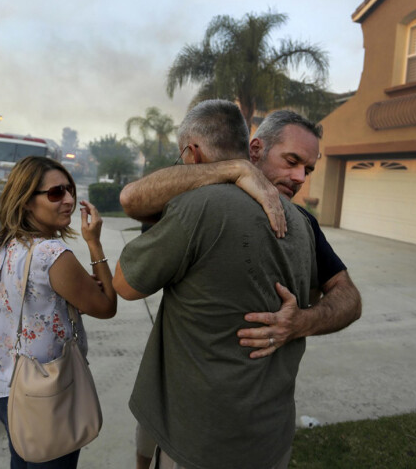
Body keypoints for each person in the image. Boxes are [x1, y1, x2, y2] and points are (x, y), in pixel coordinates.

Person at [120, 108, 362, 468]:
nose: (299, 178)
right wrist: (232, 171)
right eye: (292, 161)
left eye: (307, 170)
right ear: (254, 150)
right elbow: (135, 199)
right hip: (190, 414)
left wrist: (302, 322)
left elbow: (349, 297)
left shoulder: (303, 223)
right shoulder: (198, 199)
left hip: (212, 435)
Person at [0, 156, 117, 469]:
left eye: (70, 190)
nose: (70, 200)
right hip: (47, 395)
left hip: (6, 387)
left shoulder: (4, 246)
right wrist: (94, 243)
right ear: (27, 201)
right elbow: (106, 306)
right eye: (56, 193)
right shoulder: (51, 254)